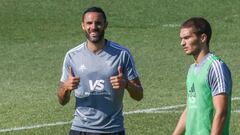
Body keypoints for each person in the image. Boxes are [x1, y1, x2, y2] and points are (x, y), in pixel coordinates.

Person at [57, 6, 143, 135]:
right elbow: (62, 101)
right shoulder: (72, 56)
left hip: (113, 129)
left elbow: (139, 95)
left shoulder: (122, 54)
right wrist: (66, 88)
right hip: (80, 129)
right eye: (89, 23)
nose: (93, 27)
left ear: (105, 25)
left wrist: (126, 84)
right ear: (83, 26)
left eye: (98, 23)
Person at [172, 17, 232, 135]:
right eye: (181, 39)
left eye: (187, 38)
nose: (182, 43)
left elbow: (221, 112)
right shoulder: (192, 69)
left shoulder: (215, 67)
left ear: (203, 38)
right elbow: (190, 108)